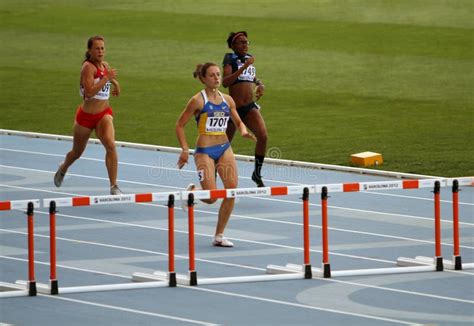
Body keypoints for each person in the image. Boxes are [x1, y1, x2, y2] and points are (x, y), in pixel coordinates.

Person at [176, 62, 256, 247]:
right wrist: (185, 149)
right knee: (212, 197)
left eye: (218, 74)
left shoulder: (227, 100)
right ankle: (192, 192)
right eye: (212, 75)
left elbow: (238, 121)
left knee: (231, 191)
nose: (217, 78)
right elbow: (179, 125)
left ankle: (219, 235)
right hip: (204, 151)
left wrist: (243, 130)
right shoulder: (198, 100)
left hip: (224, 148)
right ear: (203, 78)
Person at [54, 35, 122, 195]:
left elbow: (107, 79)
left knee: (111, 145)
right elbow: (90, 92)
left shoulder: (105, 65)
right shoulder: (87, 67)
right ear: (89, 51)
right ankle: (63, 168)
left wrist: (116, 84)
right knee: (76, 153)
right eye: (97, 48)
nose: (100, 51)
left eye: (102, 48)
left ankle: (114, 186)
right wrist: (107, 78)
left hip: (104, 114)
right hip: (86, 117)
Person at [223, 31, 268, 187]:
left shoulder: (249, 58)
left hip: (249, 108)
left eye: (247, 42)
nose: (245, 45)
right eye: (241, 42)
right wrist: (244, 67)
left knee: (263, 136)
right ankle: (213, 173)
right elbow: (226, 82)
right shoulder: (230, 59)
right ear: (233, 45)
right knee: (224, 145)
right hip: (233, 109)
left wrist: (260, 83)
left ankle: (257, 173)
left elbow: (251, 77)